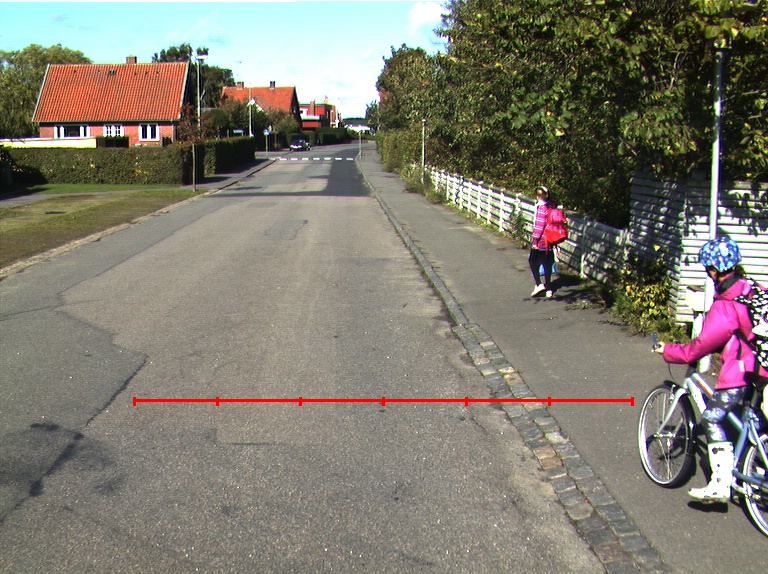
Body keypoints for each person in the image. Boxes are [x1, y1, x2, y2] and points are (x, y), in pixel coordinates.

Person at [654, 237, 768, 502]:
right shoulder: (752, 288)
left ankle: (720, 483)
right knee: (753, 421)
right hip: (762, 366)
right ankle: (758, 464)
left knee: (712, 418)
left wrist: (670, 350)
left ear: (714, 270)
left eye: (708, 269)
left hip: (742, 370)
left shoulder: (725, 305)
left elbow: (703, 345)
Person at [529, 185, 555, 298]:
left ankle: (539, 284)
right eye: (537, 194)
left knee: (532, 260)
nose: (538, 196)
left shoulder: (542, 207)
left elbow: (539, 226)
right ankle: (549, 289)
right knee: (547, 264)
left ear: (545, 195)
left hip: (541, 240)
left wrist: (535, 240)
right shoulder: (552, 205)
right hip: (550, 239)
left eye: (540, 194)